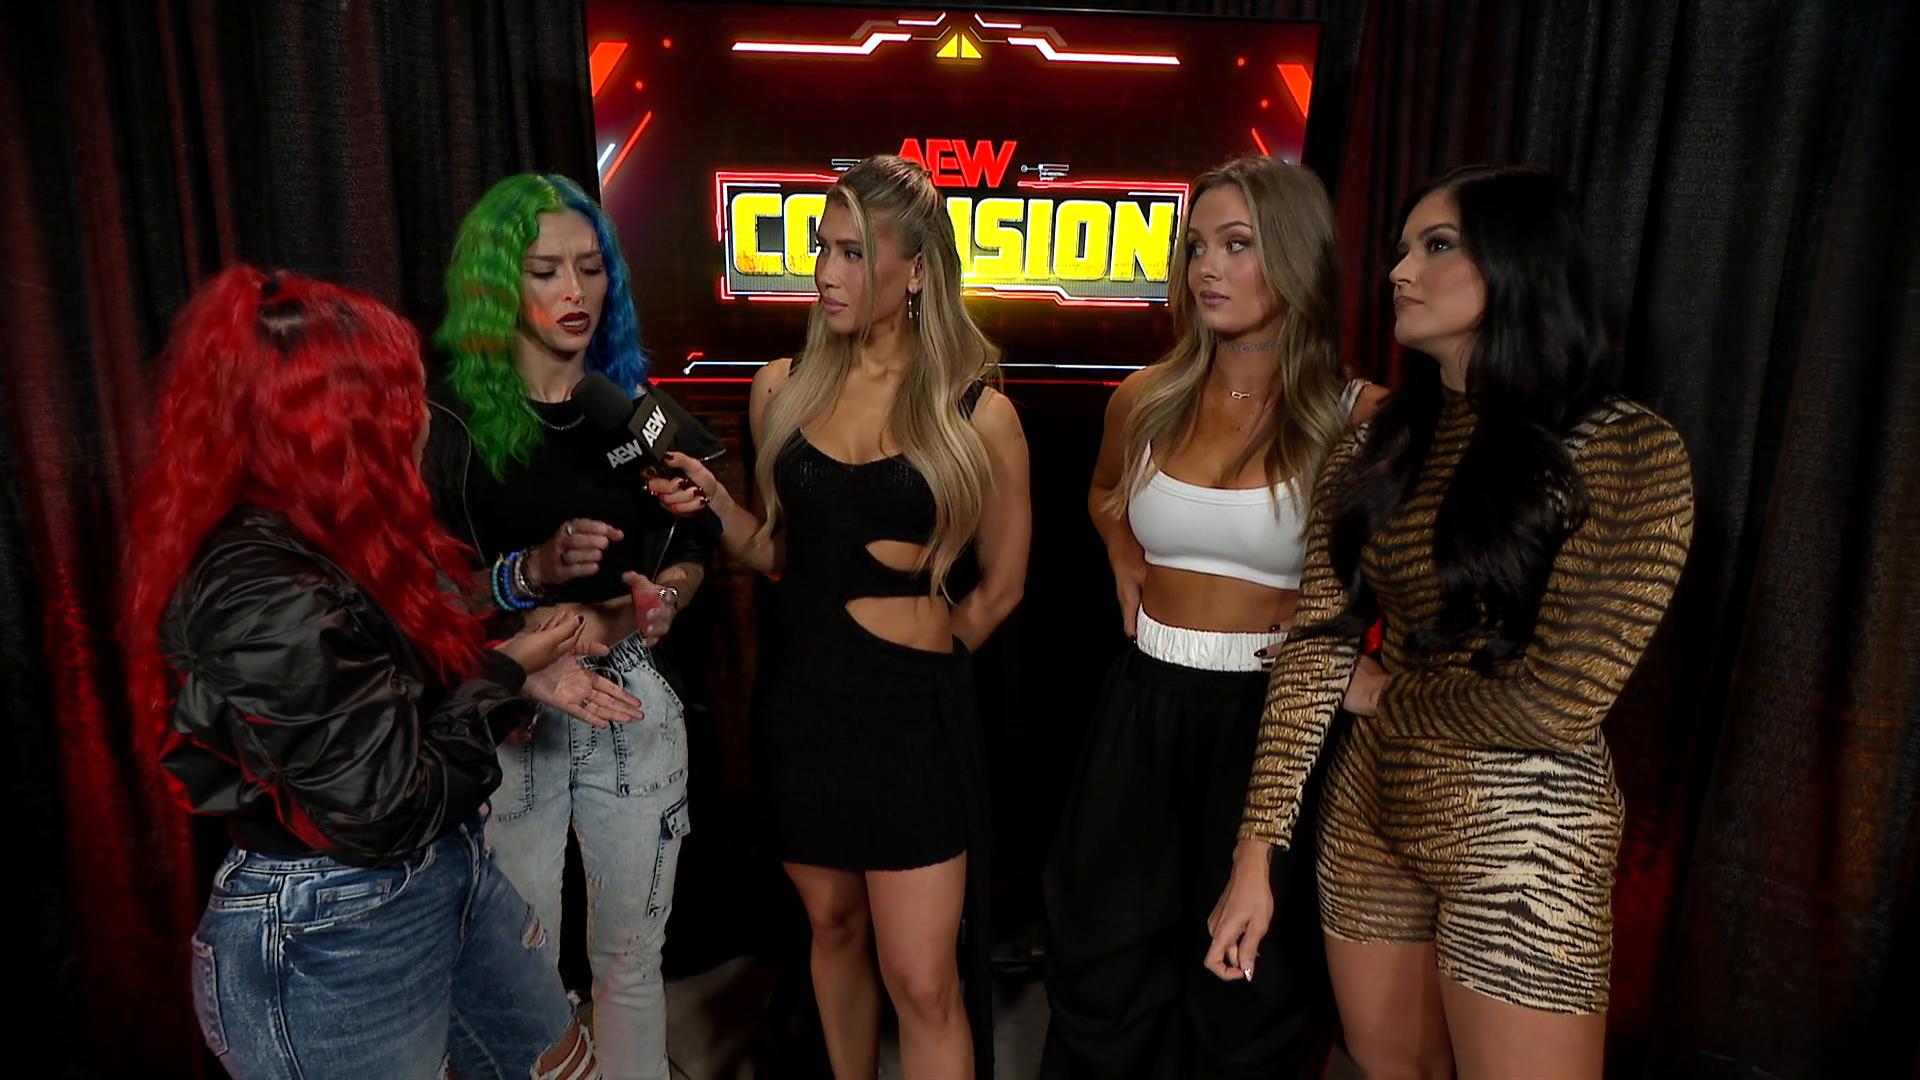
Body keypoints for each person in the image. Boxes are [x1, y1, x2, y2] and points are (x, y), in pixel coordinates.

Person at [1205, 166, 1695, 1079]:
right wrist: (1255, 854)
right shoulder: (1377, 442)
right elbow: (1316, 650)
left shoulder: (1627, 448)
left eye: (1436, 247)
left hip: (1524, 830)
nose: (1399, 271)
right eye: (1401, 249)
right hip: (1368, 816)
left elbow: (1559, 703)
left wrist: (1382, 695)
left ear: (1518, 263)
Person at [124, 265, 612, 1079]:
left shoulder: (337, 530)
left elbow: (390, 682)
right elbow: (383, 804)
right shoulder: (255, 588)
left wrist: (516, 669)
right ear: (335, 421)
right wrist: (503, 672)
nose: (423, 419)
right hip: (332, 927)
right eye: (403, 398)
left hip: (445, 868)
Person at [649, 154, 1030, 1080]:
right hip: (801, 708)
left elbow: (1003, 588)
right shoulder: (782, 387)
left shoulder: (980, 416)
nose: (825, 272)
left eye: (854, 252)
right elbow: (779, 551)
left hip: (911, 725)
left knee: (923, 981)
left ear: (918, 269)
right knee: (832, 927)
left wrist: (928, 661)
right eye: (822, 248)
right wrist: (716, 504)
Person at [1040, 157, 1384, 1078]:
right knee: (1102, 964)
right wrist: (1120, 549)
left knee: (1245, 991)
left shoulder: (1358, 418)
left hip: (1271, 725)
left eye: (1237, 245)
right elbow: (1105, 492)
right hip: (1142, 702)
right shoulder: (1146, 397)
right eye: (1196, 247)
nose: (1206, 269)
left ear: (1297, 257)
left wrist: (1371, 675)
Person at [423, 173, 711, 1080]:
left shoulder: (635, 410)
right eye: (546, 270)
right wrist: (526, 576)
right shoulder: (444, 421)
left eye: (590, 267)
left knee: (632, 961)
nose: (574, 291)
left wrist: (666, 595)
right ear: (497, 285)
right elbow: (413, 597)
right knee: (523, 974)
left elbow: (697, 544)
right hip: (509, 714)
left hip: (631, 697)